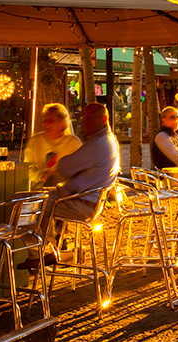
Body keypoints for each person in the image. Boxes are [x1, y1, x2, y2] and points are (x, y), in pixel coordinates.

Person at [18, 103, 120, 269]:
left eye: (90, 119)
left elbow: (65, 167)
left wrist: (61, 165)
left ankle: (41, 252)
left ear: (104, 119)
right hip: (79, 199)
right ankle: (46, 250)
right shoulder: (107, 140)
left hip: (79, 203)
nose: (85, 123)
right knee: (35, 201)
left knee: (24, 204)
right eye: (83, 119)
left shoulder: (96, 144)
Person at [25, 103, 82, 190]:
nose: (46, 124)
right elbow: (27, 170)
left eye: (51, 120)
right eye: (45, 120)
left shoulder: (73, 142)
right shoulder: (35, 141)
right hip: (40, 190)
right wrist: (41, 176)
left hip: (66, 190)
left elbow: (80, 170)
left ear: (62, 124)